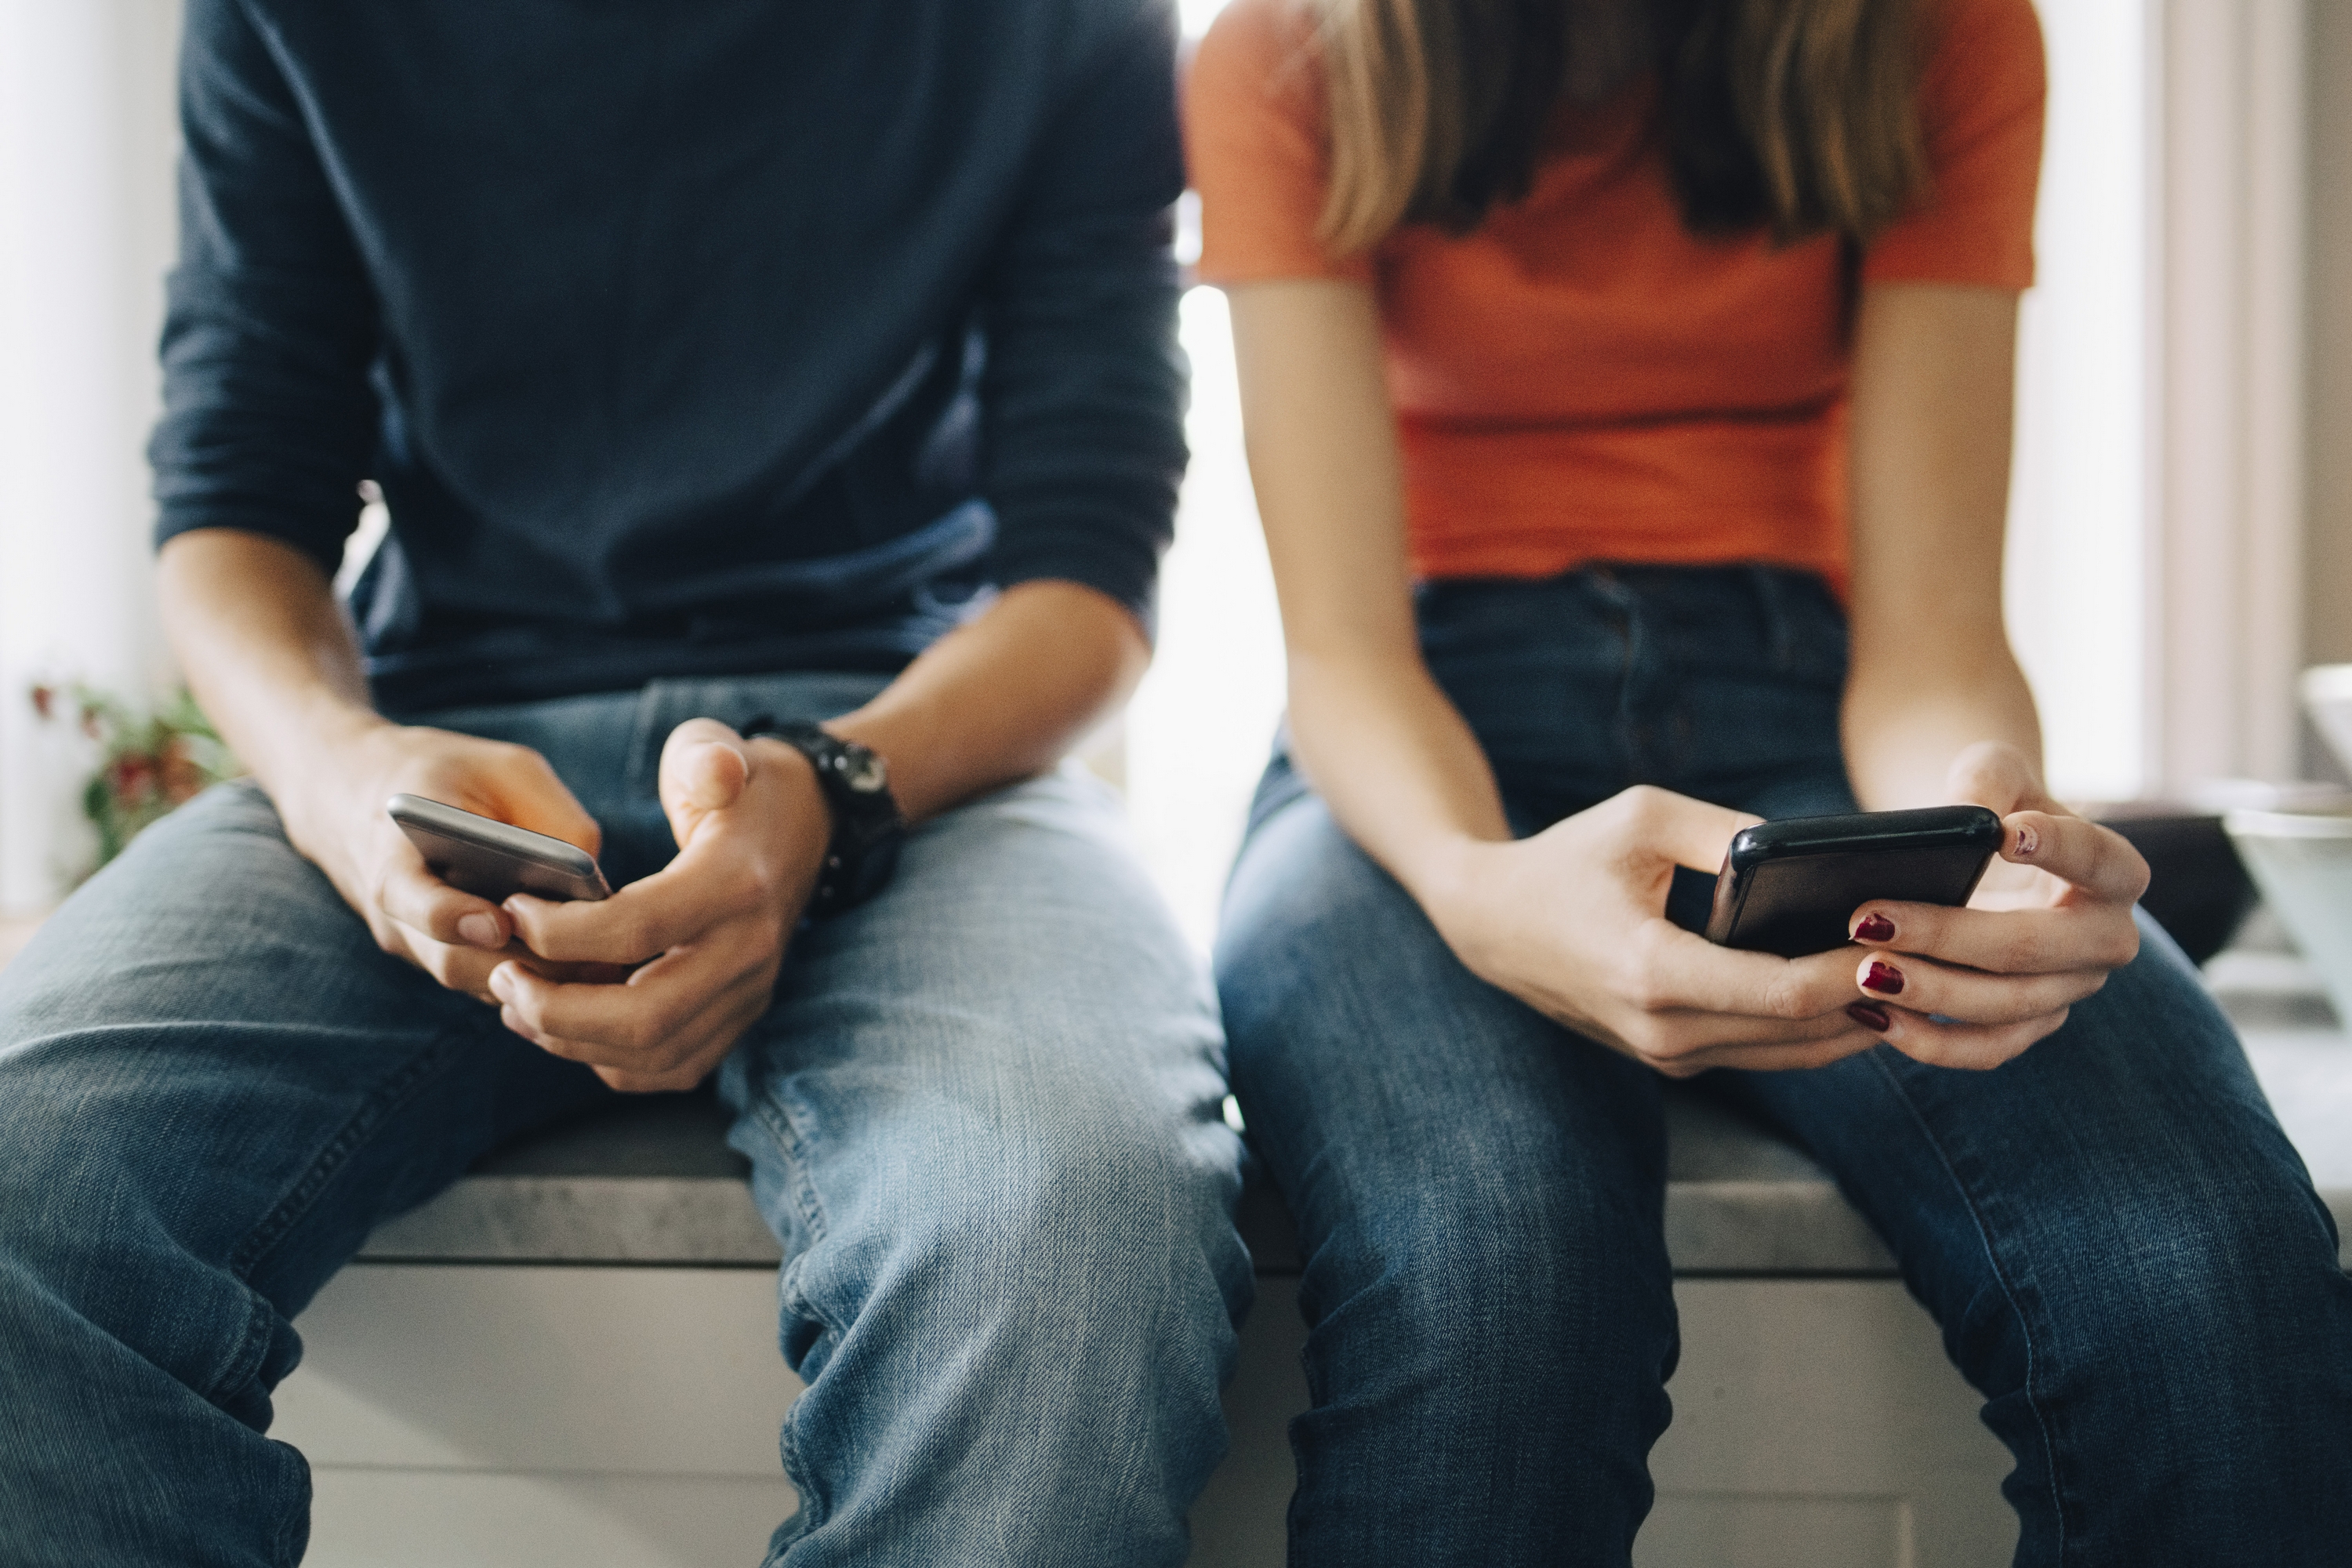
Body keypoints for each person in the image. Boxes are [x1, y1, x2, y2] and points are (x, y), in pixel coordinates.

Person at [0, 2, 1252, 1563]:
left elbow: (1091, 578)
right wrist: (343, 778)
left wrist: (830, 791)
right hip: (438, 747)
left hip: (912, 754)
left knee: (1072, 1227)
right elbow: (234, 498)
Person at [1186, 0, 2352, 1563]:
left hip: (1806, 714)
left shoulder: (1941, 35)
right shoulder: (1286, 58)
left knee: (2206, 1278)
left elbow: (1932, 635)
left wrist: (1989, 839)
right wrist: (1479, 888)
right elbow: (1346, 656)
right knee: (1494, 1275)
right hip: (1418, 757)